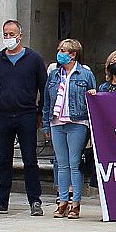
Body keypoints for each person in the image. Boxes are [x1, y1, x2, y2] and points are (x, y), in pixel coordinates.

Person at [0, 20, 48, 216]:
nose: (8, 38)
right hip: (3, 116)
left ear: (20, 36)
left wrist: (40, 112)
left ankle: (35, 201)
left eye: (12, 34)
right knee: (4, 160)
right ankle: (1, 200)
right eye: (5, 34)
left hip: (27, 115)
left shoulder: (34, 59)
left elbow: (44, 88)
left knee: (30, 160)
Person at [44, 38, 96, 220]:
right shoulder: (54, 74)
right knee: (61, 164)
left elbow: (93, 99)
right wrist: (46, 124)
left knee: (75, 163)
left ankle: (76, 204)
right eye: (59, 50)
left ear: (73, 54)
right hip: (57, 121)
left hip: (77, 122)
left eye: (63, 50)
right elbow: (47, 101)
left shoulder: (85, 74)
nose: (60, 53)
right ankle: (63, 201)